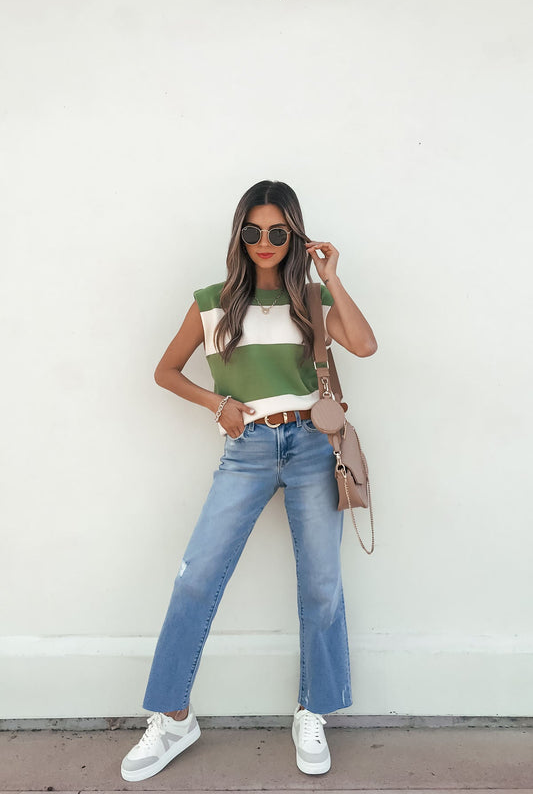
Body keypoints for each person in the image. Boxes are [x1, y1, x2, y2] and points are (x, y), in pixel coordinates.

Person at [121, 180, 377, 782]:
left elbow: (364, 345)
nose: (265, 242)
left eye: (278, 232)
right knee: (195, 579)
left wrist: (332, 277)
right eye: (254, 231)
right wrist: (217, 404)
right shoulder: (212, 301)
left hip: (314, 445)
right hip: (248, 448)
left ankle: (312, 710)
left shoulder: (310, 298)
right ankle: (173, 716)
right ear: (240, 234)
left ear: (295, 234)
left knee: (321, 586)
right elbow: (164, 370)